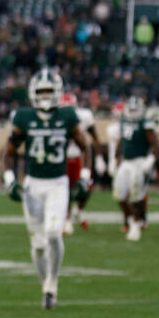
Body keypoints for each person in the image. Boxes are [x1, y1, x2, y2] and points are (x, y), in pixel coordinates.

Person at [3, 69, 92, 309]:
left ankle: (52, 283)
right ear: (33, 93)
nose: (44, 96)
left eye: (48, 92)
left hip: (57, 183)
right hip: (33, 186)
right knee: (38, 245)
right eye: (41, 92)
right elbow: (8, 152)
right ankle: (45, 286)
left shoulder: (67, 116)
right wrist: (10, 179)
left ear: (57, 93)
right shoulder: (23, 117)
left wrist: (84, 177)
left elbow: (86, 148)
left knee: (54, 234)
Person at [112, 96, 159, 242]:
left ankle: (136, 223)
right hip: (126, 162)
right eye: (131, 109)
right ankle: (131, 220)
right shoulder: (123, 121)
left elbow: (156, 145)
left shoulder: (145, 123)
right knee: (119, 194)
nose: (133, 112)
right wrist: (115, 159)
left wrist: (150, 160)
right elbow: (122, 141)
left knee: (136, 195)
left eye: (135, 109)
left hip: (139, 162)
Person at [60, 93, 97, 233]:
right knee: (66, 190)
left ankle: (80, 211)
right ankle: (67, 219)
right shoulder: (56, 117)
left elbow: (94, 136)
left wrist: (98, 156)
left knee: (88, 186)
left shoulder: (83, 117)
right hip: (63, 158)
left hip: (80, 157)